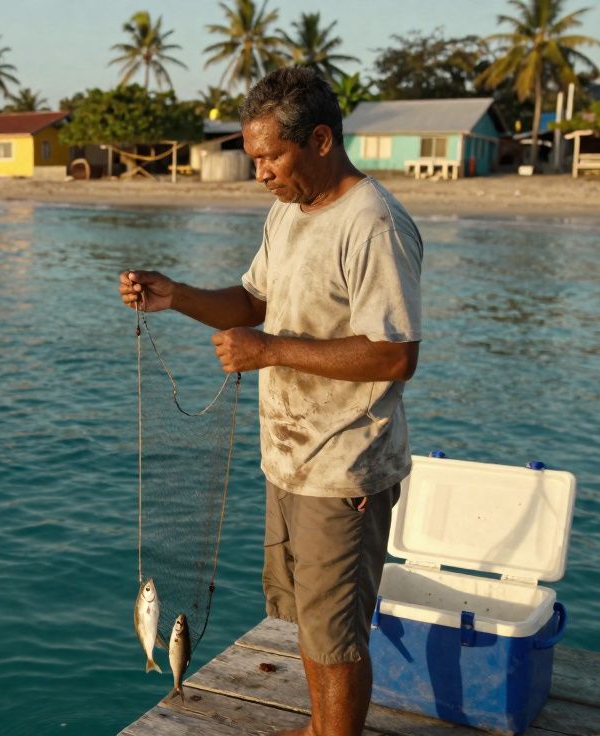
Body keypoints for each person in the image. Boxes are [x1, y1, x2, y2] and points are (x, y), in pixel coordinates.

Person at [118, 67, 422, 736]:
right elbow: (255, 303)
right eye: (252, 157)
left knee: (335, 634)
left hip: (346, 467)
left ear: (319, 140)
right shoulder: (287, 212)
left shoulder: (372, 224)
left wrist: (271, 351)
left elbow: (396, 354)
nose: (259, 172)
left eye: (270, 156)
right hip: (287, 460)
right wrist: (178, 297)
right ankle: (319, 728)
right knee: (305, 620)